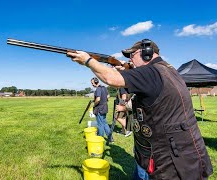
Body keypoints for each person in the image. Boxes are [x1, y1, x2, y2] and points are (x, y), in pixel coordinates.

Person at [67, 39, 213, 179]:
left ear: (147, 52)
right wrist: (127, 71)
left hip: (170, 160)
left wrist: (88, 61)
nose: (130, 59)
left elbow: (110, 78)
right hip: (179, 152)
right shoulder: (166, 70)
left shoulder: (151, 72)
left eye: (132, 54)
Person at [91, 77, 112, 145]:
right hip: (105, 107)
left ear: (96, 82)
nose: (92, 84)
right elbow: (108, 96)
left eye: (92, 83)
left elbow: (98, 99)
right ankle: (110, 138)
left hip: (100, 108)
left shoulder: (98, 89)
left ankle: (100, 139)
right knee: (105, 123)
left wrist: (94, 105)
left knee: (100, 125)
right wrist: (104, 100)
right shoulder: (104, 88)